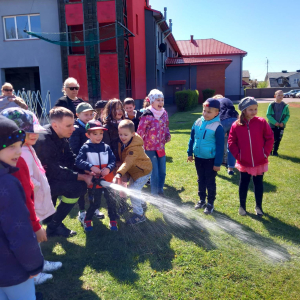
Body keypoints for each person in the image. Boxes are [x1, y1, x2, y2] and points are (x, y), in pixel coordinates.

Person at [0, 108, 62, 285]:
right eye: (28, 132)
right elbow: (24, 193)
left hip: (30, 208)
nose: (34, 134)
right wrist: (35, 225)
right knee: (28, 240)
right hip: (25, 212)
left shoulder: (24, 149)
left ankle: (39, 264)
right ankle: (34, 272)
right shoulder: (19, 157)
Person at [0, 115, 44, 300]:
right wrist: (34, 265)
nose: (18, 152)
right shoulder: (7, 183)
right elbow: (19, 231)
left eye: (20, 145)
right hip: (13, 270)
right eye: (11, 146)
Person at [34, 107, 92, 237]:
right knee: (77, 187)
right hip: (37, 184)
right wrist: (80, 176)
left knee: (78, 186)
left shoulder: (61, 135)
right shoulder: (43, 140)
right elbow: (52, 170)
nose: (74, 128)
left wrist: (86, 170)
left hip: (48, 179)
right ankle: (54, 226)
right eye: (69, 125)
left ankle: (51, 221)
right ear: (55, 125)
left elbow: (70, 158)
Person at [228, 97, 274, 216]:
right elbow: (231, 142)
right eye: (250, 109)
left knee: (258, 183)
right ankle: (242, 206)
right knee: (244, 183)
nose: (254, 112)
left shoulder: (262, 122)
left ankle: (259, 206)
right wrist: (238, 155)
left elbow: (269, 138)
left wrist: (265, 153)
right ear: (244, 110)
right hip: (244, 162)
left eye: (255, 109)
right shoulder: (236, 125)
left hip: (260, 160)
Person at [76, 120, 118, 231]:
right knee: (95, 203)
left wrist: (109, 168)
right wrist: (90, 166)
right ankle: (87, 220)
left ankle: (113, 221)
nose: (99, 136)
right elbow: (78, 161)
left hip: (108, 180)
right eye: (95, 134)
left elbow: (113, 160)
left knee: (111, 202)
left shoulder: (106, 147)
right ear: (87, 135)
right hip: (95, 183)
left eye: (101, 133)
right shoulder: (85, 148)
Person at [187, 98, 224, 214]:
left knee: (210, 181)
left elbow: (220, 147)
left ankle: (210, 203)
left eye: (209, 112)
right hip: (198, 158)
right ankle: (202, 200)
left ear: (216, 113)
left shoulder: (218, 127)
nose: (205, 114)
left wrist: (217, 163)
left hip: (210, 160)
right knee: (200, 179)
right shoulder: (197, 122)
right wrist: (190, 153)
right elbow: (192, 138)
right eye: (204, 111)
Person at [69, 102, 105, 222]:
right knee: (82, 189)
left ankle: (94, 208)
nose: (89, 117)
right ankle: (82, 211)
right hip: (81, 166)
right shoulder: (76, 129)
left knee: (94, 188)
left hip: (93, 165)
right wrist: (82, 166)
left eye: (91, 114)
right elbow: (74, 149)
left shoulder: (93, 126)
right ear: (77, 115)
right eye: (86, 115)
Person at [114, 120, 152, 224]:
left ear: (133, 134)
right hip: (135, 171)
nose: (122, 137)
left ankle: (139, 215)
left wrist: (119, 173)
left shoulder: (135, 147)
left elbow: (128, 161)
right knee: (133, 190)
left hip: (143, 171)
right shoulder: (125, 142)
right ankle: (141, 203)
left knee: (133, 191)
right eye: (120, 134)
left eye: (125, 134)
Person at [137, 89, 171, 196]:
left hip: (160, 147)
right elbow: (140, 131)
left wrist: (167, 135)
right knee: (155, 172)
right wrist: (139, 145)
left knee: (162, 171)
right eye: (158, 100)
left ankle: (160, 189)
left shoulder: (164, 113)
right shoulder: (147, 114)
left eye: (162, 100)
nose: (161, 102)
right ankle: (154, 193)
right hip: (149, 148)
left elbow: (166, 126)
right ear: (152, 101)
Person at [213, 95, 239, 175]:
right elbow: (237, 114)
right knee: (231, 144)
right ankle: (230, 168)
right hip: (235, 121)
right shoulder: (228, 100)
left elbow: (215, 114)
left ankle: (216, 164)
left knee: (218, 144)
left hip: (222, 120)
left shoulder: (217, 102)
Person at [266, 90, 290, 156]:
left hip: (281, 126)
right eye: (279, 95)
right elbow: (268, 115)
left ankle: (275, 151)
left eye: (282, 95)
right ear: (275, 96)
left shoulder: (285, 106)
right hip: (272, 126)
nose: (280, 97)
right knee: (271, 139)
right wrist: (274, 122)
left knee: (278, 139)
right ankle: (270, 151)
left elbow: (287, 115)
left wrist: (283, 122)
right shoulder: (272, 105)